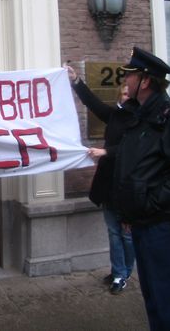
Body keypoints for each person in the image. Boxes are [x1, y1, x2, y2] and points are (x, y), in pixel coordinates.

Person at [113, 47, 170, 331]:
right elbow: (135, 169)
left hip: (164, 223)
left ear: (146, 80)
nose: (125, 80)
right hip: (143, 220)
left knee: (166, 295)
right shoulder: (139, 116)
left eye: (130, 75)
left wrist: (148, 204)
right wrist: (131, 213)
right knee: (152, 294)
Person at [66, 65, 135, 295]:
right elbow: (93, 103)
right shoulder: (115, 115)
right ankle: (118, 271)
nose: (126, 97)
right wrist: (76, 81)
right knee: (113, 232)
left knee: (126, 235)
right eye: (123, 93)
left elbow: (133, 150)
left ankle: (124, 273)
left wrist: (106, 152)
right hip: (108, 185)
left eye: (129, 94)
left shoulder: (139, 120)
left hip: (127, 187)